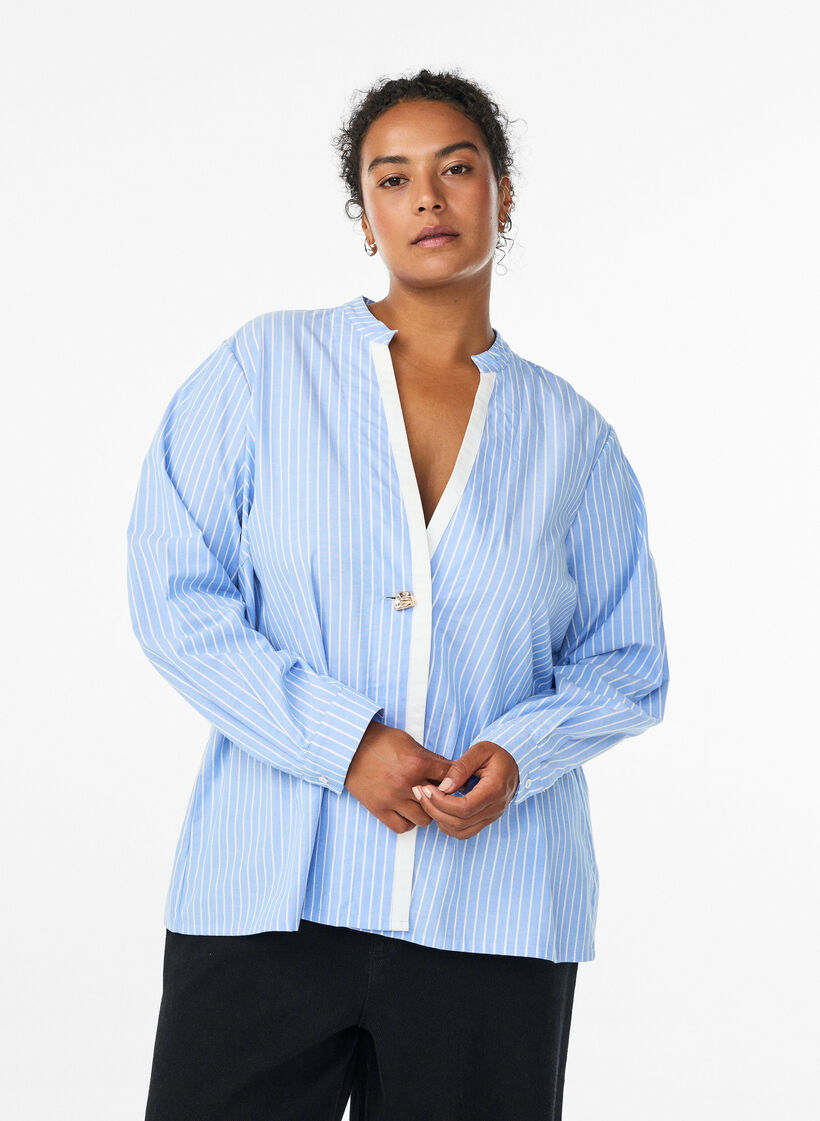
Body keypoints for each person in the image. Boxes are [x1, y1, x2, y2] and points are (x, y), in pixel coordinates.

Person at [127, 68, 670, 1121]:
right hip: (267, 896)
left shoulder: (575, 438)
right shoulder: (262, 370)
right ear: (365, 209)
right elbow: (175, 596)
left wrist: (521, 753)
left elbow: (627, 662)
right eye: (393, 176)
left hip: (496, 916)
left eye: (456, 168)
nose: (427, 196)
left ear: (502, 195)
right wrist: (345, 742)